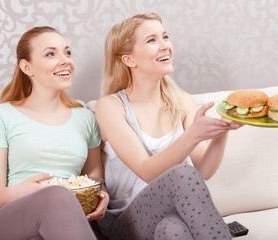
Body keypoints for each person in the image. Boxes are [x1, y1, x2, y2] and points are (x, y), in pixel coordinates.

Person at [95, 12, 242, 240]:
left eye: (165, 37)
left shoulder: (182, 101)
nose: (165, 45)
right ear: (129, 60)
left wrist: (221, 132)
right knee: (182, 173)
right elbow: (146, 170)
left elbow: (204, 170)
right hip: (127, 223)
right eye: (151, 40)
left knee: (173, 231)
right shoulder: (111, 107)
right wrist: (191, 136)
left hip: (172, 215)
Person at [0, 26, 109, 240]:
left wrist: (102, 195)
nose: (65, 60)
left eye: (67, 52)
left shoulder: (86, 118)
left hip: (65, 218)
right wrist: (28, 191)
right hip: (4, 220)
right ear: (27, 67)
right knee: (56, 195)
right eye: (50, 54)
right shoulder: (1, 116)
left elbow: (94, 177)